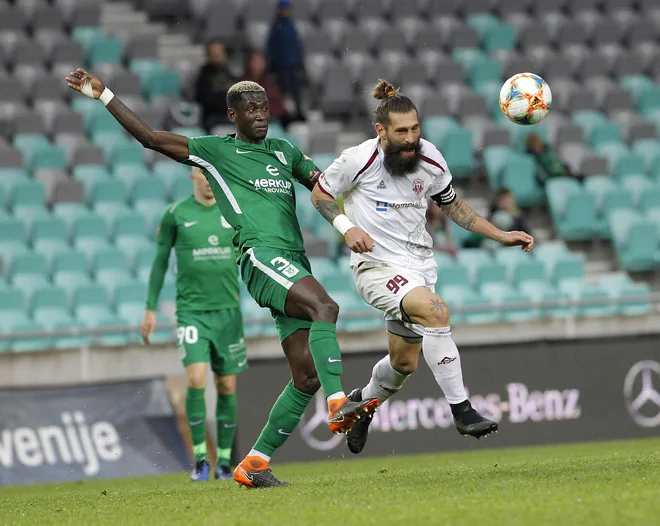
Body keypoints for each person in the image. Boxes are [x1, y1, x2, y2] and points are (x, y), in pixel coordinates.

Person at [65, 68, 378, 488]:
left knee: (304, 377)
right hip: (259, 255)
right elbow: (152, 139)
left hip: (293, 261)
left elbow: (325, 185)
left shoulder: (285, 151)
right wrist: (105, 96)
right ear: (233, 115)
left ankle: (254, 464)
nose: (260, 114)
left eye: (264, 106)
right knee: (326, 306)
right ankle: (339, 402)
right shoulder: (215, 151)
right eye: (250, 109)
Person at [311, 79, 534, 455]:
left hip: (420, 267)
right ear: (380, 131)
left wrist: (499, 234)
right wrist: (347, 228)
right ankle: (462, 410)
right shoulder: (357, 159)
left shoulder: (429, 158)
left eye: (415, 128)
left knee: (404, 364)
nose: (411, 138)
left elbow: (452, 205)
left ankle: (362, 404)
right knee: (435, 310)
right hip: (375, 267)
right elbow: (320, 193)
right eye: (402, 132)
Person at [141, 167, 246, 482]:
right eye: (203, 174)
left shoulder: (234, 212)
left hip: (228, 312)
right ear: (192, 177)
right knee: (197, 379)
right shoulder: (176, 214)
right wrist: (150, 309)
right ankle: (201, 459)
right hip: (192, 312)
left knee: (226, 385)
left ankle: (225, 462)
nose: (209, 181)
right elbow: (160, 261)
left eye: (214, 175)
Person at [267, 0, 305, 121]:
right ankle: (283, 114)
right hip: (281, 66)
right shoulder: (277, 26)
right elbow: (272, 46)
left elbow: (297, 45)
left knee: (296, 91)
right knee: (282, 91)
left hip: (293, 64)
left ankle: (298, 112)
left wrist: (299, 61)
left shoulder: (291, 25)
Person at [194, 40, 237, 133]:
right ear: (208, 56)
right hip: (215, 118)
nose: (218, 55)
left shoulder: (230, 74)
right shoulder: (204, 77)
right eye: (214, 53)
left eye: (220, 52)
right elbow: (207, 101)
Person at [243, 49, 292, 127]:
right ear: (248, 63)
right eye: (255, 62)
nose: (258, 65)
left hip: (273, 120)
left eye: (260, 62)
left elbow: (278, 104)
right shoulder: (242, 84)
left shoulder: (270, 82)